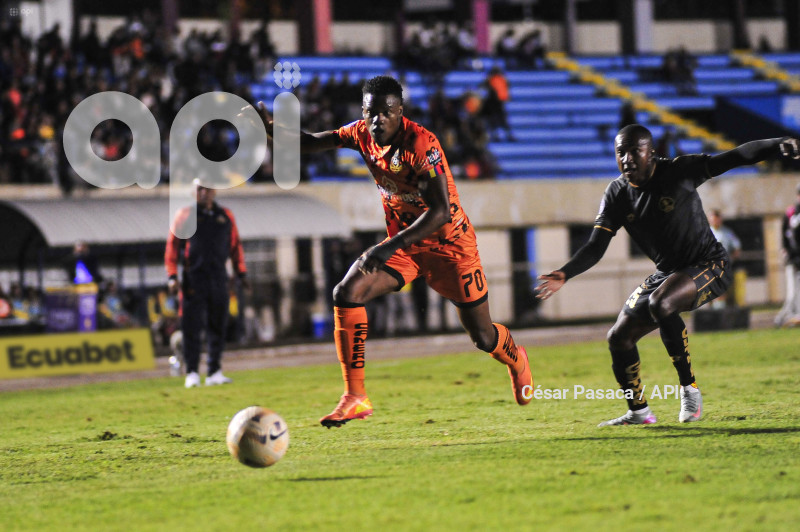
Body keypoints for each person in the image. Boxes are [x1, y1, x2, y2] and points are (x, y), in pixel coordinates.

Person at [253, 75, 532, 428]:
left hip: (450, 248)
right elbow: (311, 142)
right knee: (346, 293)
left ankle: (516, 358)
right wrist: (276, 131)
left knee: (482, 337)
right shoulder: (361, 135)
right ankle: (355, 396)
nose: (377, 120)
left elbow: (441, 211)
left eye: (386, 113)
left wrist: (390, 244)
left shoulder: (421, 144)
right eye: (371, 112)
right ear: (363, 111)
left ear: (400, 112)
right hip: (407, 248)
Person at [535, 124, 800, 426]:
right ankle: (639, 412)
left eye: (635, 151)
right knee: (618, 338)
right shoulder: (617, 193)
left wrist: (779, 144)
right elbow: (596, 246)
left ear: (651, 152)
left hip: (709, 263)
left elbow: (736, 156)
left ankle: (690, 389)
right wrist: (564, 274)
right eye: (621, 152)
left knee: (661, 303)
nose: (627, 159)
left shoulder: (678, 171)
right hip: (668, 273)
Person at [165, 181, 248, 388]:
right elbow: (172, 247)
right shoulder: (185, 215)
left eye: (208, 188)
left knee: (217, 325)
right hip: (193, 278)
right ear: (194, 192)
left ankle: (214, 371)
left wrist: (241, 273)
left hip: (219, 276)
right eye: (200, 189)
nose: (204, 193)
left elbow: (235, 246)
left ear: (214, 191)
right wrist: (172, 275)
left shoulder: (225, 216)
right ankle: (192, 372)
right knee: (191, 327)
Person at [775, 185, 800, 327]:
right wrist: (787, 251)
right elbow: (785, 235)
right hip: (792, 258)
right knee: (791, 294)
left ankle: (795, 317)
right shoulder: (791, 212)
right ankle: (780, 319)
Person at [707, 209, 742, 307]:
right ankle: (712, 313)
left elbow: (737, 246)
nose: (714, 221)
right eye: (712, 219)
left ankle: (720, 312)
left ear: (720, 219)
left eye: (716, 219)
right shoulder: (705, 233)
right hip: (708, 267)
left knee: (721, 290)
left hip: (723, 266)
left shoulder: (727, 232)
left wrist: (731, 259)